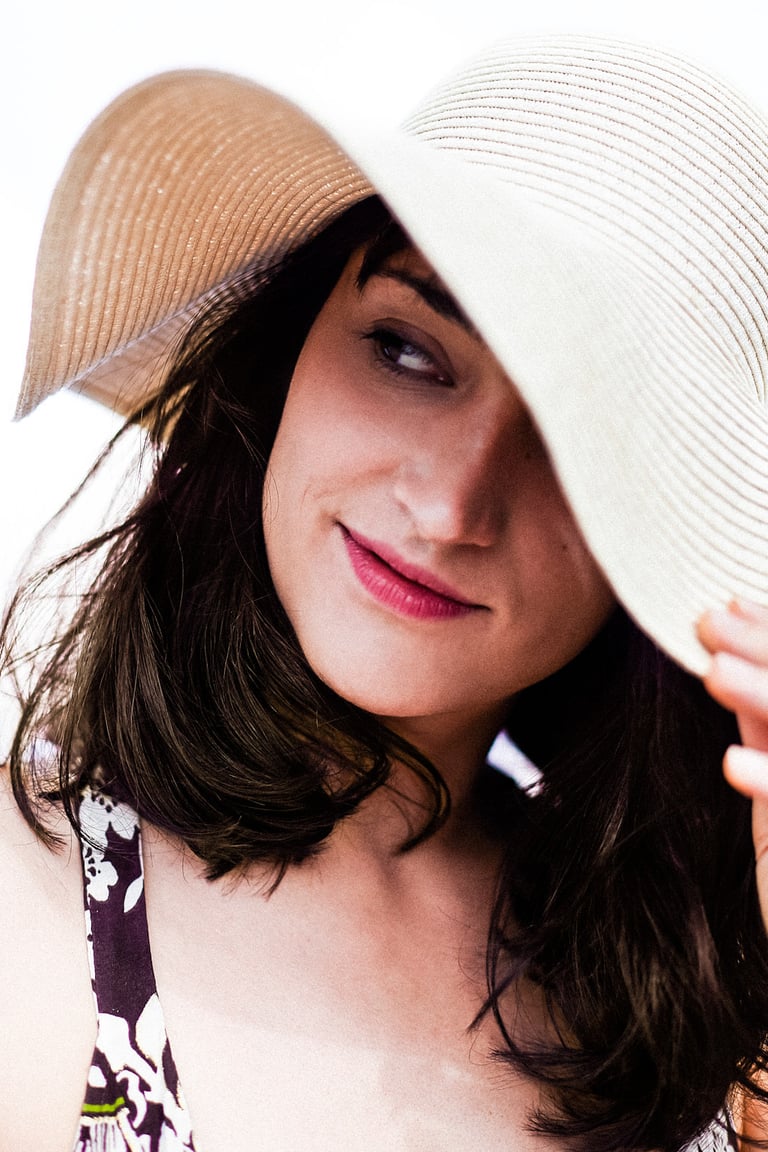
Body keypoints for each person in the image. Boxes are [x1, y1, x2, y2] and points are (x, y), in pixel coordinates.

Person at [1, 33, 768, 1152]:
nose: (453, 504)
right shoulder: (29, 900)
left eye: (573, 441)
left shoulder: (689, 1020)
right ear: (285, 362)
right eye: (409, 352)